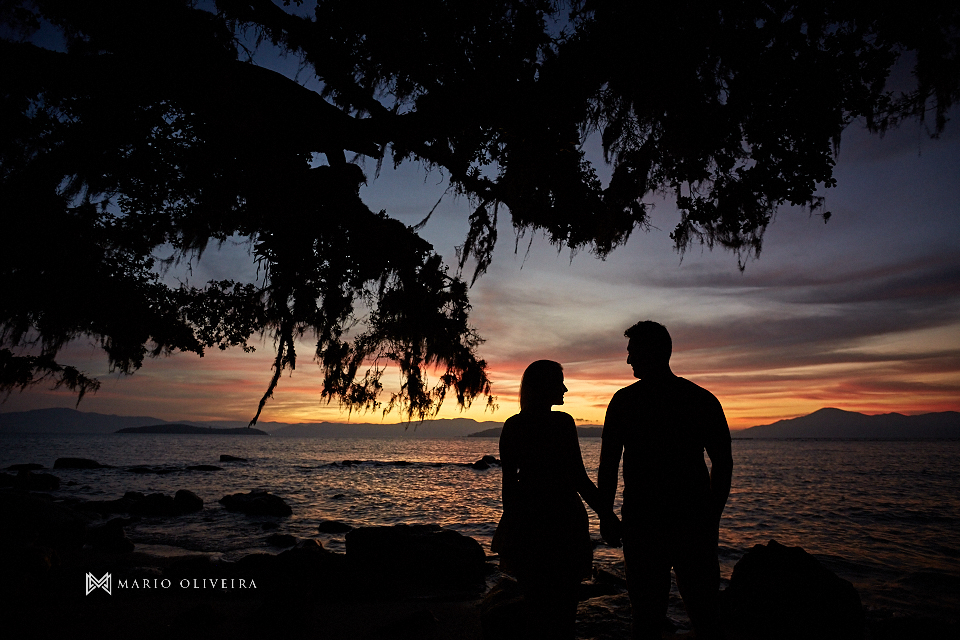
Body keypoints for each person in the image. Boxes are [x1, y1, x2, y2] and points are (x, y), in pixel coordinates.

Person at [598, 321, 733, 640]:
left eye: (632, 352)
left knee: (647, 618)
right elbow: (723, 463)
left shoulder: (624, 402)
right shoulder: (700, 399)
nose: (628, 360)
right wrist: (711, 516)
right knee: (703, 615)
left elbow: (608, 466)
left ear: (651, 352)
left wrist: (607, 515)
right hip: (687, 522)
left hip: (647, 524)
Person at [493, 360, 620, 639]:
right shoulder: (562, 423)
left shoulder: (514, 425)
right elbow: (579, 478)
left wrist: (511, 524)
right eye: (559, 382)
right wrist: (606, 514)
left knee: (537, 608)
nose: (565, 388)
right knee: (563, 611)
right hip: (563, 521)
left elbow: (508, 486)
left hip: (530, 521)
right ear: (545, 386)